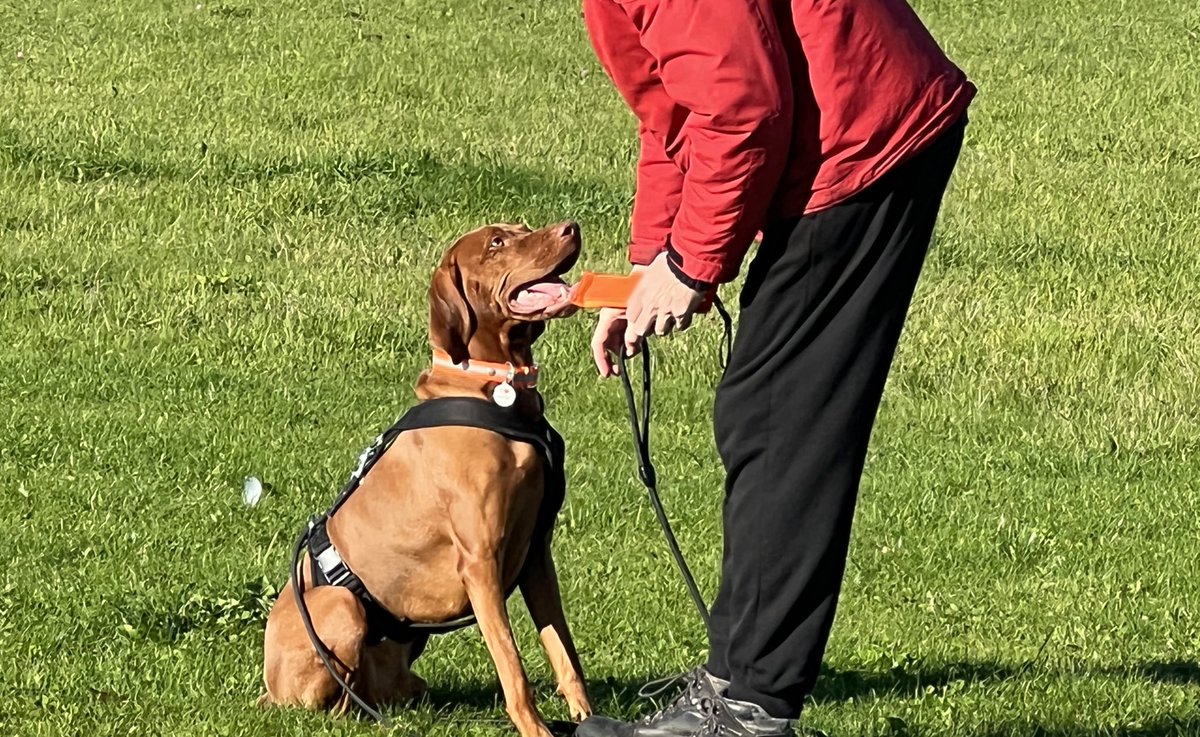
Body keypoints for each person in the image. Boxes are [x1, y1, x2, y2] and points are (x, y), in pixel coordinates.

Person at [576, 1, 976, 736]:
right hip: (845, 131)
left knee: (778, 419)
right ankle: (732, 684)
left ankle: (750, 709)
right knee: (762, 409)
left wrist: (692, 265)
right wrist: (648, 264)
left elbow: (740, 109)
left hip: (860, 141)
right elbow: (677, 108)